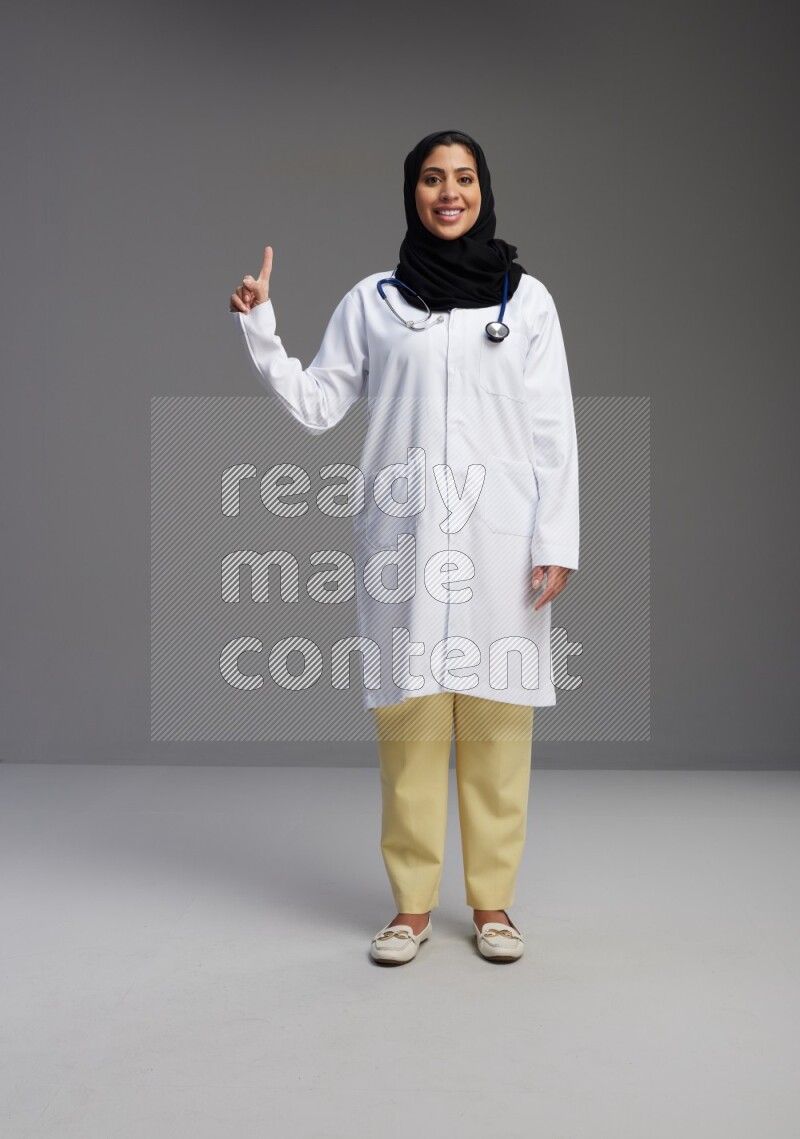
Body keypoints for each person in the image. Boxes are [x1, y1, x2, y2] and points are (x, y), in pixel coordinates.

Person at [229, 129, 579, 966]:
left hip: (502, 542)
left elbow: (553, 429)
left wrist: (557, 537)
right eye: (432, 178)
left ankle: (492, 906)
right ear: (412, 193)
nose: (447, 192)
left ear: (482, 190)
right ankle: (411, 910)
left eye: (462, 178)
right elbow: (318, 404)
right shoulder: (375, 303)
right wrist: (263, 331)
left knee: (497, 727)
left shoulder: (524, 302)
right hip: (407, 540)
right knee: (411, 727)